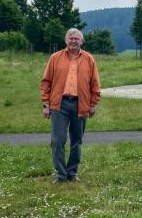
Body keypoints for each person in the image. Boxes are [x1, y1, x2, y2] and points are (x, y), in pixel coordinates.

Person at [40, 28, 102, 183]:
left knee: (76, 141)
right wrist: (46, 104)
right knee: (57, 140)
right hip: (59, 104)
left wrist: (92, 104)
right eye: (70, 38)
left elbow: (95, 84)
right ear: (65, 40)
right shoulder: (55, 58)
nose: (73, 41)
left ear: (81, 41)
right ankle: (60, 175)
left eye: (76, 38)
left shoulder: (89, 59)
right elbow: (46, 82)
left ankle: (72, 173)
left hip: (80, 105)